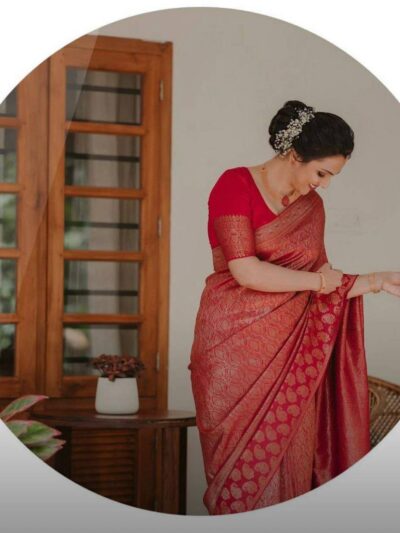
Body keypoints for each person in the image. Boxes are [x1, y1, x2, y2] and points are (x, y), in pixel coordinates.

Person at [188, 100, 400, 515]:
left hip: (293, 356)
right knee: (238, 479)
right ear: (294, 154)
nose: (324, 185)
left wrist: (376, 281)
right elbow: (246, 270)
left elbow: (324, 283)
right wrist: (322, 281)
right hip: (232, 351)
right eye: (321, 173)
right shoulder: (235, 184)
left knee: (293, 463)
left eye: (331, 177)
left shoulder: (311, 208)